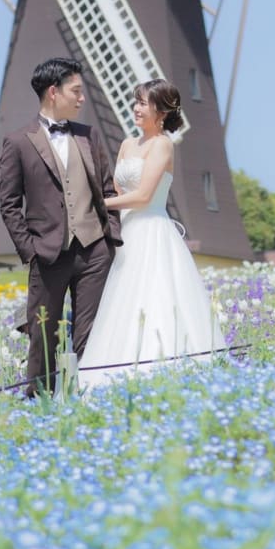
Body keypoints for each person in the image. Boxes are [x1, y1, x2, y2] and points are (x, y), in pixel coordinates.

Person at [78, 79, 223, 387]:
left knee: (154, 296)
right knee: (121, 302)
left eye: (143, 103)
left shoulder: (163, 145)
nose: (136, 108)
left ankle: (160, 371)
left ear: (161, 110)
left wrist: (96, 203)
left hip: (152, 232)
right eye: (135, 102)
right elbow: (118, 191)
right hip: (127, 232)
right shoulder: (128, 145)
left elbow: (143, 196)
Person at [0, 57, 122, 396]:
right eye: (76, 91)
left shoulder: (89, 136)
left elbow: (108, 190)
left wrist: (108, 236)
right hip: (48, 254)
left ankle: (89, 397)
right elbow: (9, 205)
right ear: (54, 92)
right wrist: (31, 250)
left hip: (95, 249)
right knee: (43, 334)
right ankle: (39, 403)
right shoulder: (18, 142)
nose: (82, 99)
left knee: (91, 332)